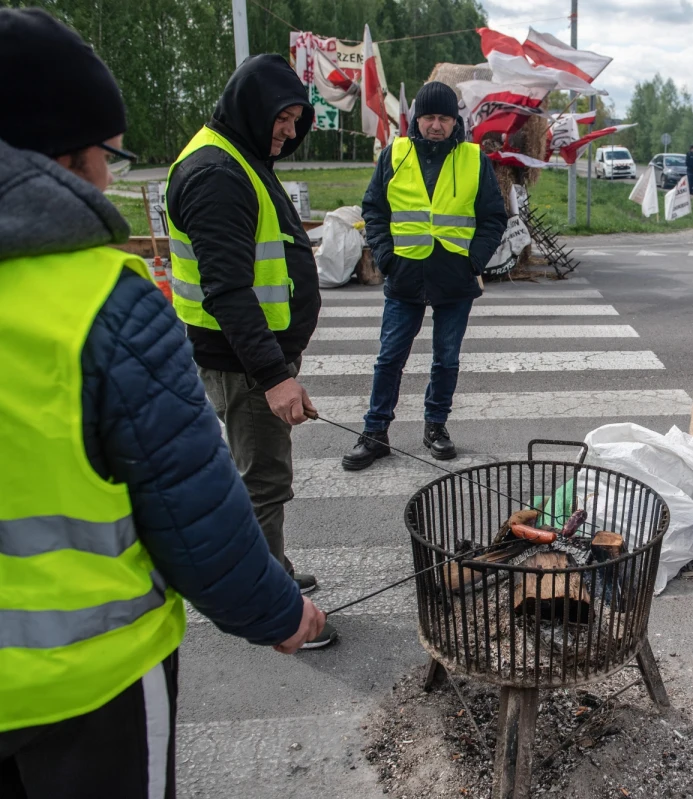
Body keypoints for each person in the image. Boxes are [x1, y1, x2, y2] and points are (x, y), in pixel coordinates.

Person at [0, 9, 328, 796]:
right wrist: (276, 611)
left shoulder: (236, 159)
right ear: (61, 155)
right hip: (85, 687)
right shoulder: (98, 300)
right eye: (107, 155)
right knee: (260, 480)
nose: (110, 178)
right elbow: (191, 506)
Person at [165, 54, 335, 646]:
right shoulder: (217, 173)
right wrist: (274, 376)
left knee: (260, 474)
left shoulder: (238, 155)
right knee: (263, 479)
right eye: (282, 119)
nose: (289, 131)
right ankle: (275, 607)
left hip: (253, 357)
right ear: (252, 107)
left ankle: (275, 572)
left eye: (296, 120)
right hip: (243, 362)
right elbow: (229, 290)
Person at [341, 81, 507, 471]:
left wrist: (473, 260)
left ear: (455, 121)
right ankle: (375, 432)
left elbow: (493, 217)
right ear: (417, 119)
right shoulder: (394, 154)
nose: (435, 125)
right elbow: (374, 210)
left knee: (446, 360)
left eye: (443, 118)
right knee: (389, 358)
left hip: (455, 275)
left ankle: (436, 427)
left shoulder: (473, 159)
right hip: (405, 273)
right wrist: (385, 257)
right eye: (429, 117)